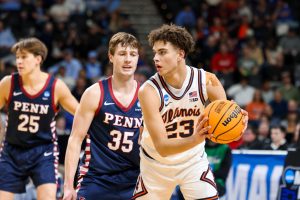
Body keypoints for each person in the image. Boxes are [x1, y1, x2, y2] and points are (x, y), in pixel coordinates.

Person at [133, 24, 248, 200]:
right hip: (156, 165)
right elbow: (163, 147)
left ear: (180, 54)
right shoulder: (148, 91)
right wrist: (195, 138)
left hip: (193, 162)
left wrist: (238, 123)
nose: (156, 58)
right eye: (155, 52)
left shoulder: (208, 81)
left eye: (163, 52)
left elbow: (224, 122)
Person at [63, 32, 142, 200]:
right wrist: (68, 186)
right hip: (96, 180)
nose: (128, 59)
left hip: (134, 180)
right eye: (122, 54)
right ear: (111, 57)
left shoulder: (147, 95)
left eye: (132, 54)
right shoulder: (94, 93)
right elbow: (75, 139)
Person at [0, 37, 78, 200]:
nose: (19, 61)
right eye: (18, 57)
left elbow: (81, 112)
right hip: (12, 150)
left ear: (38, 59)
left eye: (24, 57)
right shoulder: (9, 83)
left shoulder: (55, 86)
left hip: (43, 151)